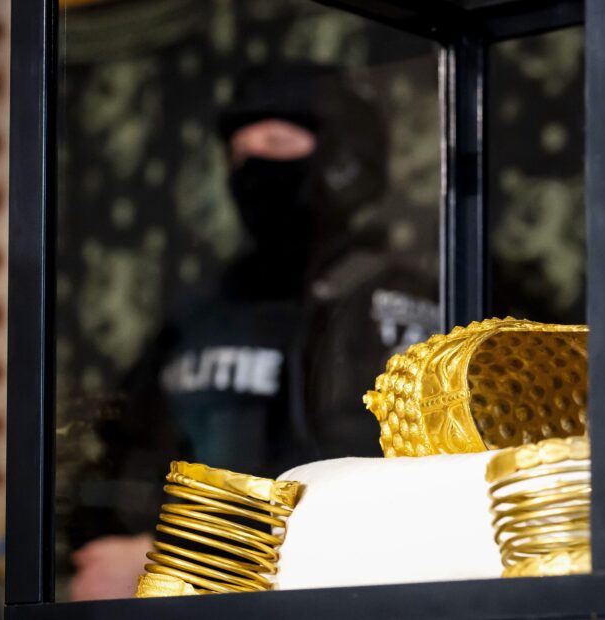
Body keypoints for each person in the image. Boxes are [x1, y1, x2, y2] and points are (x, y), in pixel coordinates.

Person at [67, 63, 439, 600]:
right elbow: (118, 461)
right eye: (240, 155)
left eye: (278, 144)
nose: (254, 169)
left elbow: (385, 499)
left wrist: (172, 560)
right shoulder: (202, 312)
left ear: (342, 159)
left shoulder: (391, 303)